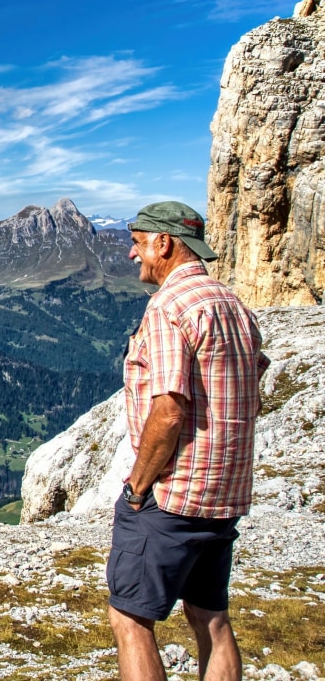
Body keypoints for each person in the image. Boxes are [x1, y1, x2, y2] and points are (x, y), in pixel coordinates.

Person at [107, 201, 269, 681]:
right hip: (225, 494)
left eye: (137, 243)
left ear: (164, 242)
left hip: (174, 496)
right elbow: (253, 394)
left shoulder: (169, 307)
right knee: (211, 618)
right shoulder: (235, 305)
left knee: (131, 618)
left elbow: (169, 408)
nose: (133, 255)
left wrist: (139, 486)